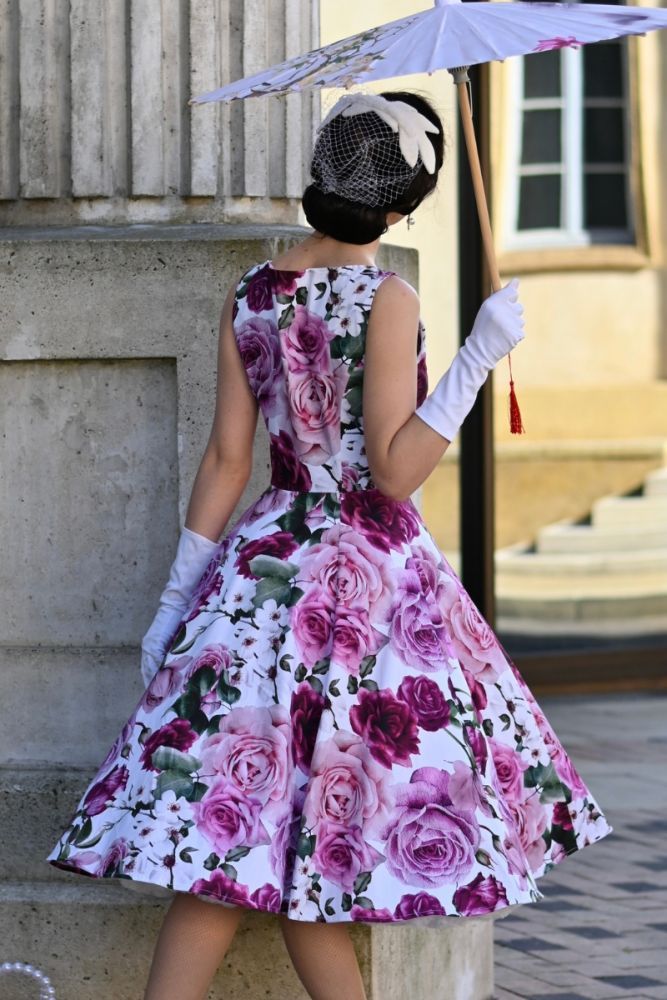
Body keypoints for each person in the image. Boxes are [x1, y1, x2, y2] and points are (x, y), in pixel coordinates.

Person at [45, 90, 613, 1000]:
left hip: (262, 577)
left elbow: (228, 459)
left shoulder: (253, 292)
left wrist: (177, 596)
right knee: (317, 855)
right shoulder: (387, 299)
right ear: (404, 206)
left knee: (226, 844)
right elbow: (393, 472)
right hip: (364, 591)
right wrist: (473, 360)